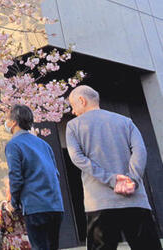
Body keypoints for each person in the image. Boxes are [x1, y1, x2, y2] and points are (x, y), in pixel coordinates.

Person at [66, 85, 162, 250]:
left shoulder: (73, 126)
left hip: (99, 202)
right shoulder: (126, 121)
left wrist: (111, 179)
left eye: (73, 106)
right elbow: (140, 151)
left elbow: (77, 158)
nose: (73, 111)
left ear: (82, 100)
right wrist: (131, 180)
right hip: (135, 200)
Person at [4, 104, 64, 250]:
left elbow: (16, 177)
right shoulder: (44, 144)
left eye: (6, 119)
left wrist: (13, 204)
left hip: (35, 206)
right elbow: (56, 173)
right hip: (55, 206)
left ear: (13, 122)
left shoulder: (14, 144)